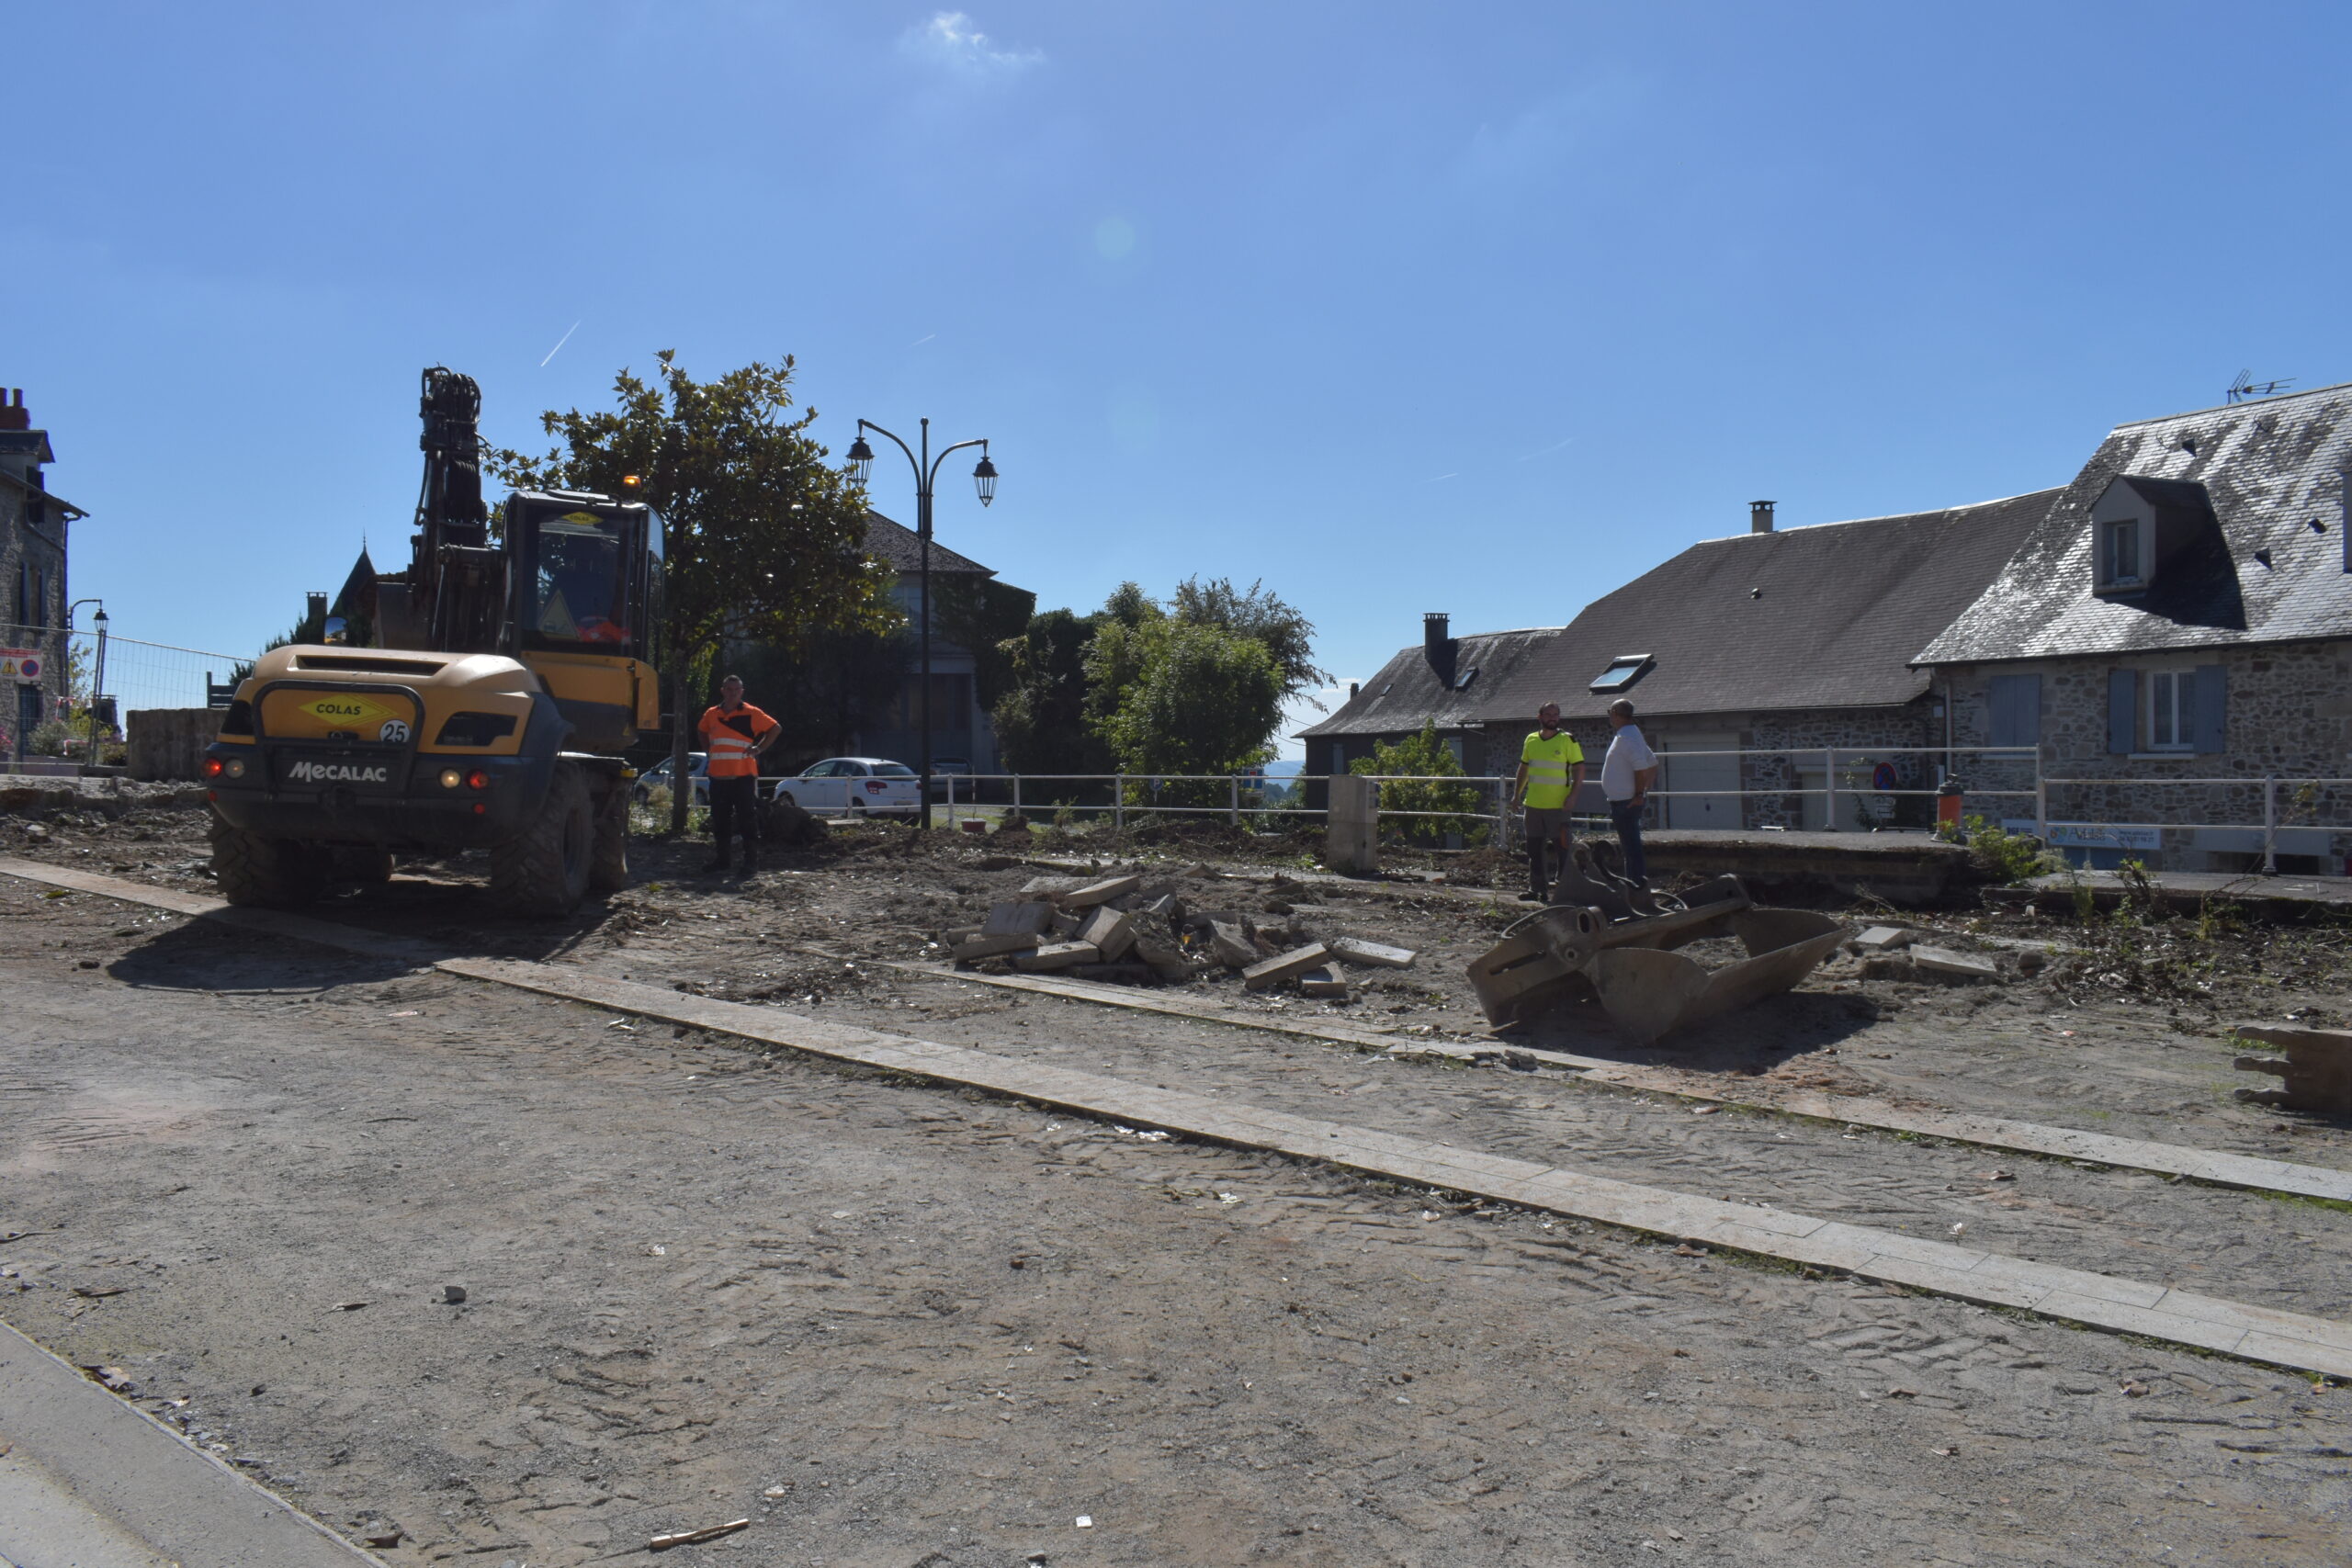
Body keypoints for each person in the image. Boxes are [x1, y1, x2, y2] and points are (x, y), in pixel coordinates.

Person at [696, 674, 779, 874]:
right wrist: (708, 749)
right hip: (717, 776)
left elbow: (775, 728)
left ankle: (751, 863)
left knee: (747, 820)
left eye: (736, 690)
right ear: (723, 691)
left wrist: (758, 749)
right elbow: (701, 730)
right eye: (729, 689)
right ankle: (722, 861)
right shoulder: (712, 713)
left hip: (743, 776)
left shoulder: (752, 713)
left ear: (741, 692)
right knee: (720, 820)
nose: (732, 693)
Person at [1509, 701, 1586, 902]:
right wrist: (1516, 794)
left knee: (1563, 849)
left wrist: (1574, 795)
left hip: (1558, 806)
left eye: (1556, 714)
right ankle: (1537, 889)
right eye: (1549, 714)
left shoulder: (1568, 740)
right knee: (1534, 850)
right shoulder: (1531, 740)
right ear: (1540, 717)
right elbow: (1524, 768)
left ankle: (1566, 891)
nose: (1553, 717)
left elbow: (1579, 768)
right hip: (1533, 805)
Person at [1600, 697, 1658, 886]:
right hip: (1625, 799)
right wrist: (1643, 790)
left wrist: (1639, 794)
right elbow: (1652, 762)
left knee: (1631, 846)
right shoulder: (1632, 734)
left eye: (1610, 713)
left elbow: (1641, 766)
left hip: (1626, 801)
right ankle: (1634, 884)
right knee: (1630, 846)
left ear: (1616, 714)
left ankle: (1636, 886)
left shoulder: (1627, 737)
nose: (1609, 717)